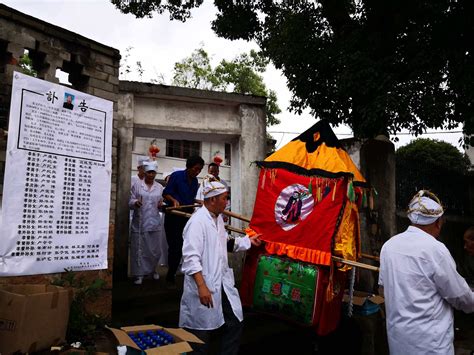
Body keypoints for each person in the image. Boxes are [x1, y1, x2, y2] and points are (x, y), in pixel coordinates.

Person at [379, 190, 474, 355]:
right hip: (430, 345)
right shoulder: (436, 249)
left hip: (398, 341)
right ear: (438, 223)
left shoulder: (389, 246)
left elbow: (382, 289)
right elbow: (460, 296)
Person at [179, 179, 261, 354]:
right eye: (224, 198)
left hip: (221, 284)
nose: (227, 202)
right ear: (212, 199)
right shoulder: (197, 222)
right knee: (200, 337)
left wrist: (247, 241)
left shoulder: (217, 219)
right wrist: (201, 286)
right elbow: (190, 258)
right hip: (205, 284)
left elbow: (224, 243)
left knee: (235, 322)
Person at [163, 155, 204, 284]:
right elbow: (166, 193)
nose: (197, 172)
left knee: (186, 245)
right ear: (189, 167)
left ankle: (184, 272)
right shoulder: (176, 176)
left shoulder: (195, 181)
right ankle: (170, 275)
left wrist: (199, 201)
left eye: (199, 170)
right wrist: (174, 200)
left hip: (186, 217)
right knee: (175, 246)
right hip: (173, 216)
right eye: (196, 169)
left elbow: (190, 199)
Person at [129, 161, 164, 285]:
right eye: (149, 172)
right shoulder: (137, 185)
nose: (151, 175)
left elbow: (161, 203)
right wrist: (135, 203)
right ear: (145, 172)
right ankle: (139, 274)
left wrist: (161, 205)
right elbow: (130, 200)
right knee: (139, 249)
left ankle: (152, 270)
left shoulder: (159, 187)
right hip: (140, 222)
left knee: (154, 249)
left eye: (153, 172)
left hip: (154, 222)